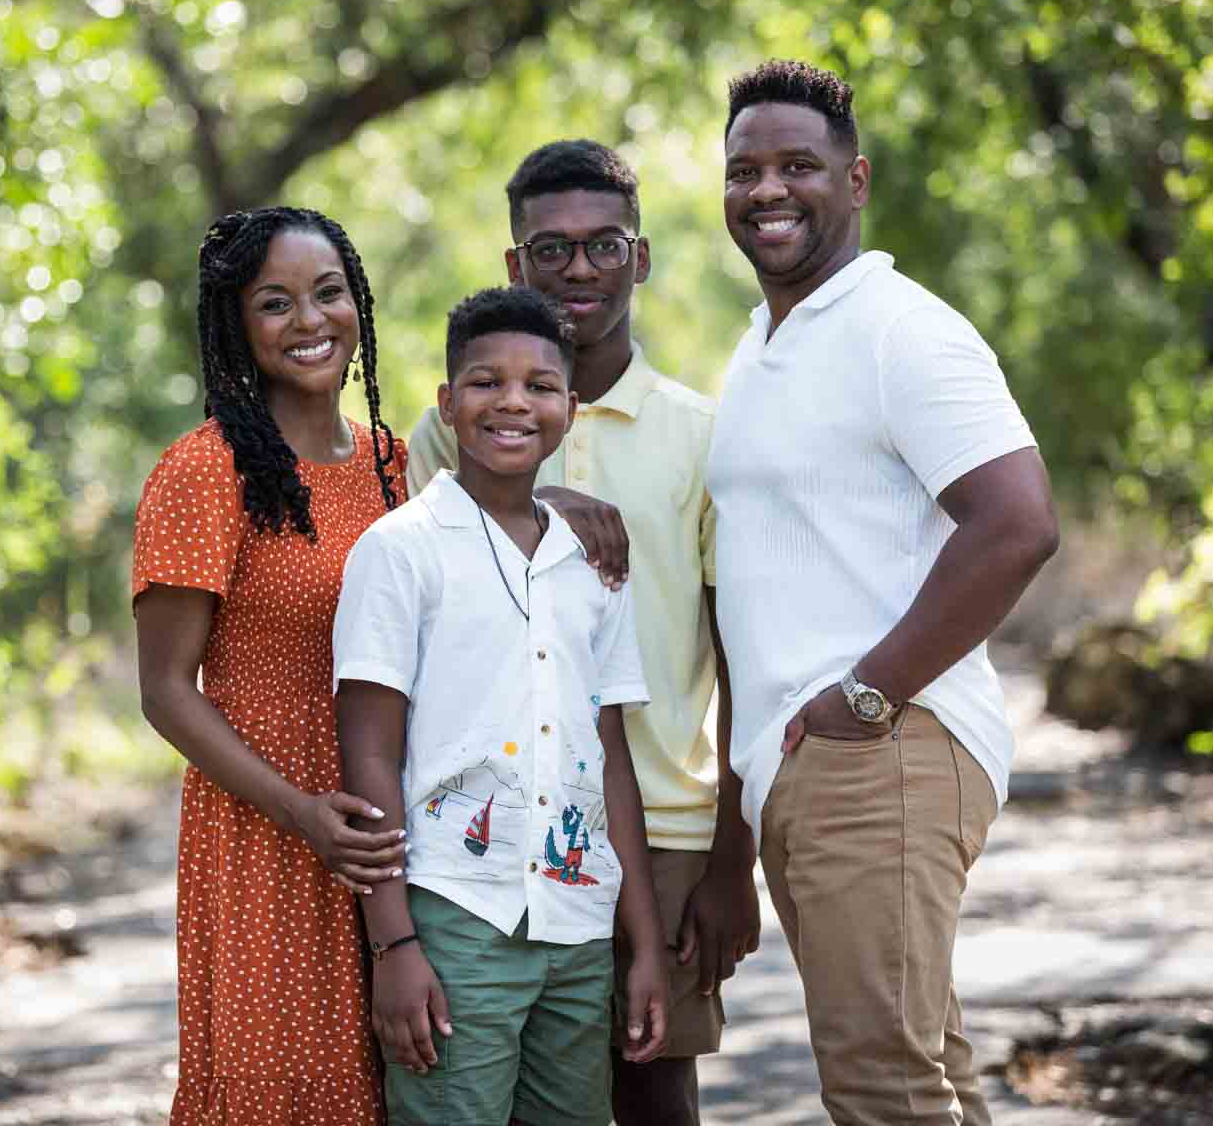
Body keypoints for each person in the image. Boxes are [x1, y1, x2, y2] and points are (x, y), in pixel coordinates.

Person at [707, 59, 1061, 1125]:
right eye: (744, 170)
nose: (768, 190)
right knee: (923, 1075)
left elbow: (1019, 523)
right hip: (812, 766)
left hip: (885, 748)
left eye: (798, 166)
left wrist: (867, 695)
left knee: (880, 1083)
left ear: (855, 182)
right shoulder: (764, 344)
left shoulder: (901, 329)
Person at [404, 140, 758, 1126]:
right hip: (494, 825)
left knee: (653, 1088)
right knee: (509, 1092)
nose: (579, 270)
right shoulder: (453, 432)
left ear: (639, 258)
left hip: (671, 823)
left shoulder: (700, 432)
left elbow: (740, 657)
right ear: (514, 266)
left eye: (604, 245)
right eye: (550, 250)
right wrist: (533, 495)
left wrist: (737, 855)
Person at [335, 285, 669, 1126]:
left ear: (571, 407)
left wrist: (644, 945)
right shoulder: (400, 549)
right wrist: (394, 944)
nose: (513, 402)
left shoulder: (594, 564)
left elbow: (611, 759)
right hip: (455, 916)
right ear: (447, 404)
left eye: (540, 386)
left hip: (577, 918)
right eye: (485, 382)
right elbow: (369, 757)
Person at [132, 207, 409, 1125]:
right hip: (266, 823)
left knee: (403, 1079)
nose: (310, 321)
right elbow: (167, 692)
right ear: (236, 326)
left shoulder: (395, 467)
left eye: (329, 293)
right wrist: (301, 813)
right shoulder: (205, 472)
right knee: (280, 1084)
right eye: (276, 303)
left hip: (393, 819)